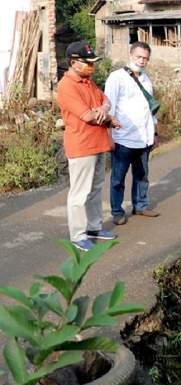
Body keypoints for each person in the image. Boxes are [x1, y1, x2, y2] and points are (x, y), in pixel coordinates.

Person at [56, 41, 121, 251]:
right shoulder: (66, 86)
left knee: (95, 189)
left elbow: (106, 100)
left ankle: (94, 227)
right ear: (74, 63)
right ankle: (78, 235)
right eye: (87, 62)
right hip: (82, 145)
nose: (91, 66)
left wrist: (103, 108)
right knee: (80, 193)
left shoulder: (89, 82)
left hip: (99, 143)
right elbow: (88, 116)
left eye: (93, 62)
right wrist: (106, 115)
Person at [104, 41, 160, 226]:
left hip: (144, 138)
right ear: (130, 55)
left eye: (145, 58)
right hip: (123, 137)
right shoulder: (116, 78)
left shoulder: (146, 79)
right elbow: (108, 107)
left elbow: (149, 109)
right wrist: (109, 135)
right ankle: (117, 211)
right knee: (118, 178)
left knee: (142, 175)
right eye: (139, 57)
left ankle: (140, 205)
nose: (142, 61)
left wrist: (155, 132)